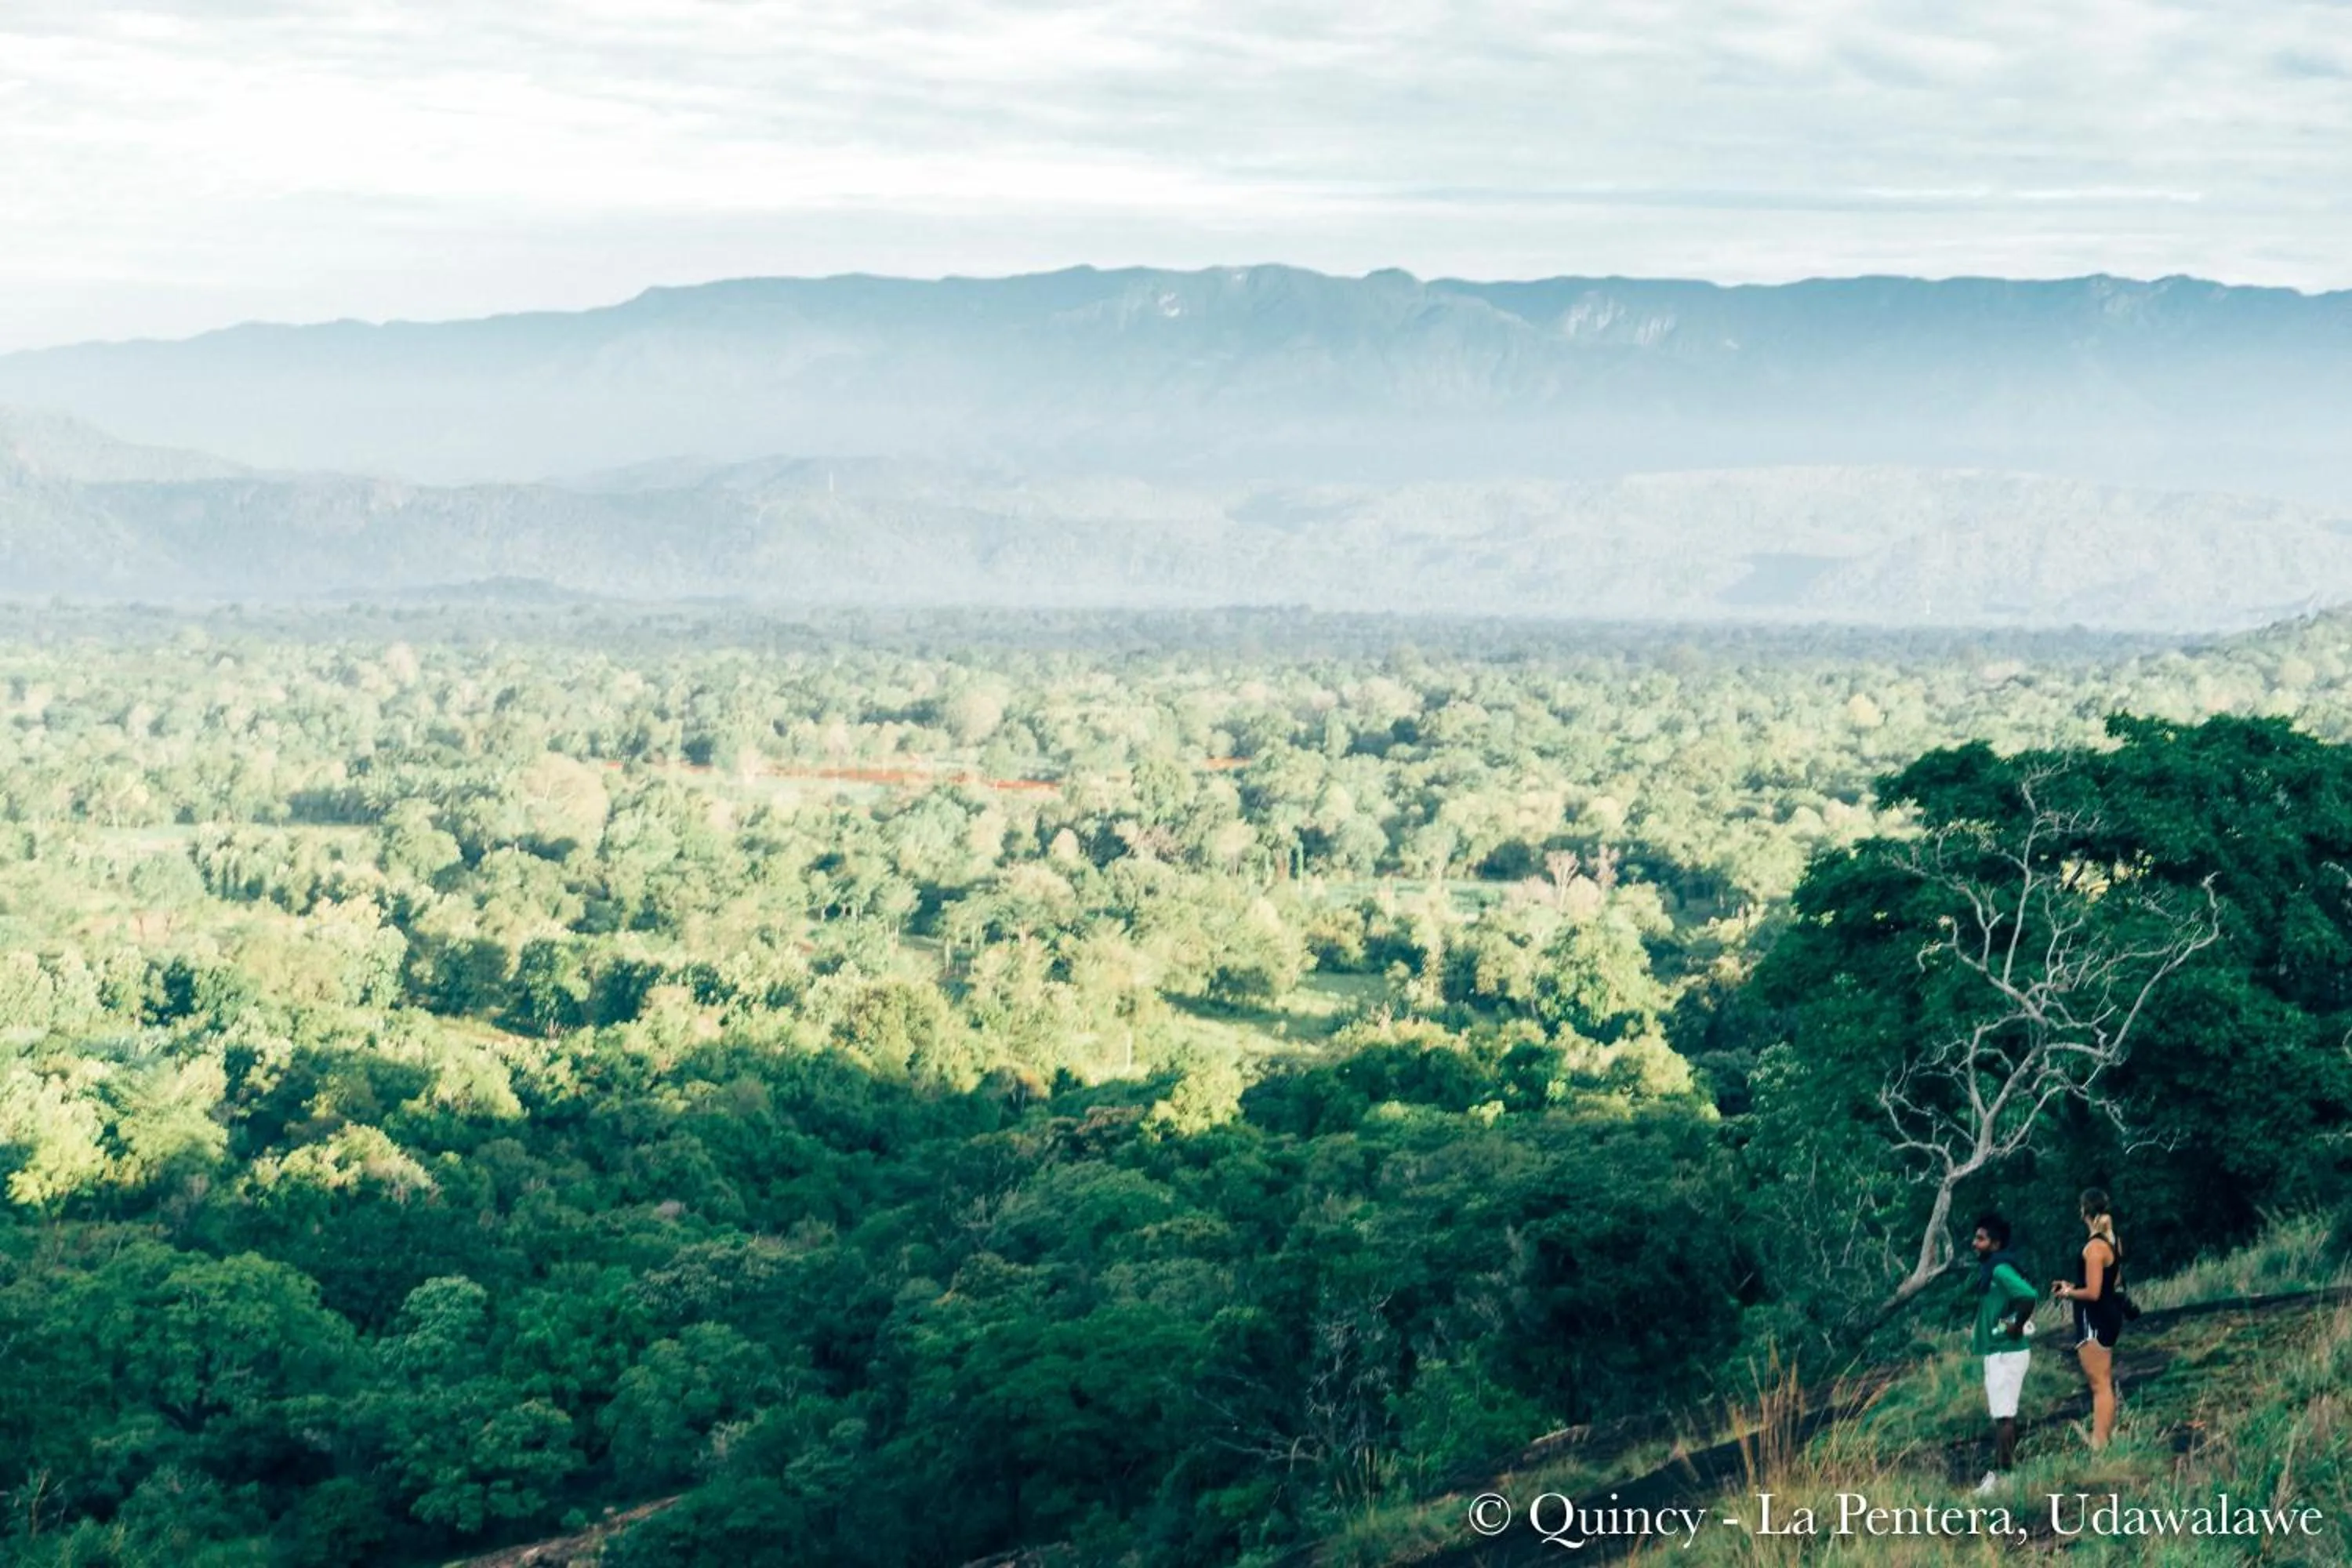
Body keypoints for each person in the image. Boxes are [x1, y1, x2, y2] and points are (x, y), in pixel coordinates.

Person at [1969, 1211, 2039, 1494]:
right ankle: (2004, 1473)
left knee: (2004, 1416)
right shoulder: (1993, 1270)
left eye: (1981, 1239)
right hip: (1998, 1351)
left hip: (2006, 1353)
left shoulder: (1999, 1269)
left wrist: (2016, 1325)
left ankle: (2004, 1477)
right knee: (2003, 1414)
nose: (1975, 1243)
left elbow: (2028, 1296)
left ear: (1996, 1244)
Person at [2053, 1187, 2126, 1450]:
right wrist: (2073, 1285)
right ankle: (2104, 1438)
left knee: (2099, 1384)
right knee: (2103, 1382)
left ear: (2084, 1210)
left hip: (2094, 1319)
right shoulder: (2113, 1241)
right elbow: (2112, 1280)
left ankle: (2100, 1442)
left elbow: (2094, 1292)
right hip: (2109, 1314)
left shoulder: (2094, 1247)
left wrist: (2068, 1293)